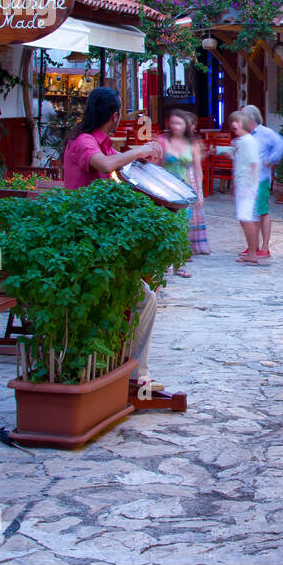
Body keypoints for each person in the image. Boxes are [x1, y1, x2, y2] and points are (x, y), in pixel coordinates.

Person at [62, 87, 165, 390]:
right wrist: (139, 150)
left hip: (99, 236)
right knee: (143, 298)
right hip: (87, 239)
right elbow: (107, 165)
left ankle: (129, 369)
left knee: (140, 297)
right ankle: (134, 373)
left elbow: (116, 160)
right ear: (114, 115)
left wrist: (139, 153)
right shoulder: (84, 143)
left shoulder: (96, 141)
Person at [157, 109, 209, 273]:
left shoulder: (192, 144)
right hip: (166, 189)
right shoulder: (162, 141)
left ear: (185, 125)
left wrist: (199, 192)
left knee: (182, 226)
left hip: (185, 190)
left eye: (178, 123)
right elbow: (155, 165)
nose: (175, 126)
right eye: (172, 122)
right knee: (166, 224)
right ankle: (166, 261)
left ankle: (178, 263)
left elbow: (198, 168)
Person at [242, 104, 283, 258]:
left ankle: (265, 247)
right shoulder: (247, 135)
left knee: (262, 212)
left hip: (261, 179)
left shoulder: (265, 133)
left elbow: (281, 143)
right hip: (249, 180)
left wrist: (271, 159)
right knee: (251, 213)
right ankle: (252, 246)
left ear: (250, 118)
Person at [228, 110, 263, 264]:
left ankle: (252, 252)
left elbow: (254, 164)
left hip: (247, 186)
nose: (233, 125)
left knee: (245, 218)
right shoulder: (243, 141)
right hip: (245, 185)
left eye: (236, 121)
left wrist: (248, 186)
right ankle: (252, 250)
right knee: (248, 218)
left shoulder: (247, 141)